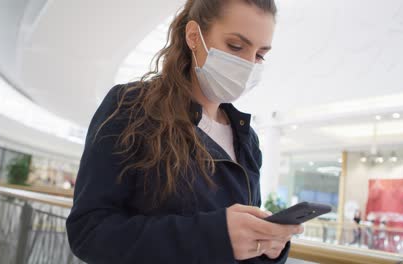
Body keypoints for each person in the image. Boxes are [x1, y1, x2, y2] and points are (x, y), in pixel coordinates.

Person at [66, 0, 304, 263]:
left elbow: (239, 248)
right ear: (193, 36)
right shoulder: (131, 108)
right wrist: (214, 235)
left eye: (260, 55)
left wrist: (269, 247)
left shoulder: (247, 139)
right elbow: (88, 232)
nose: (249, 65)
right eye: (236, 46)